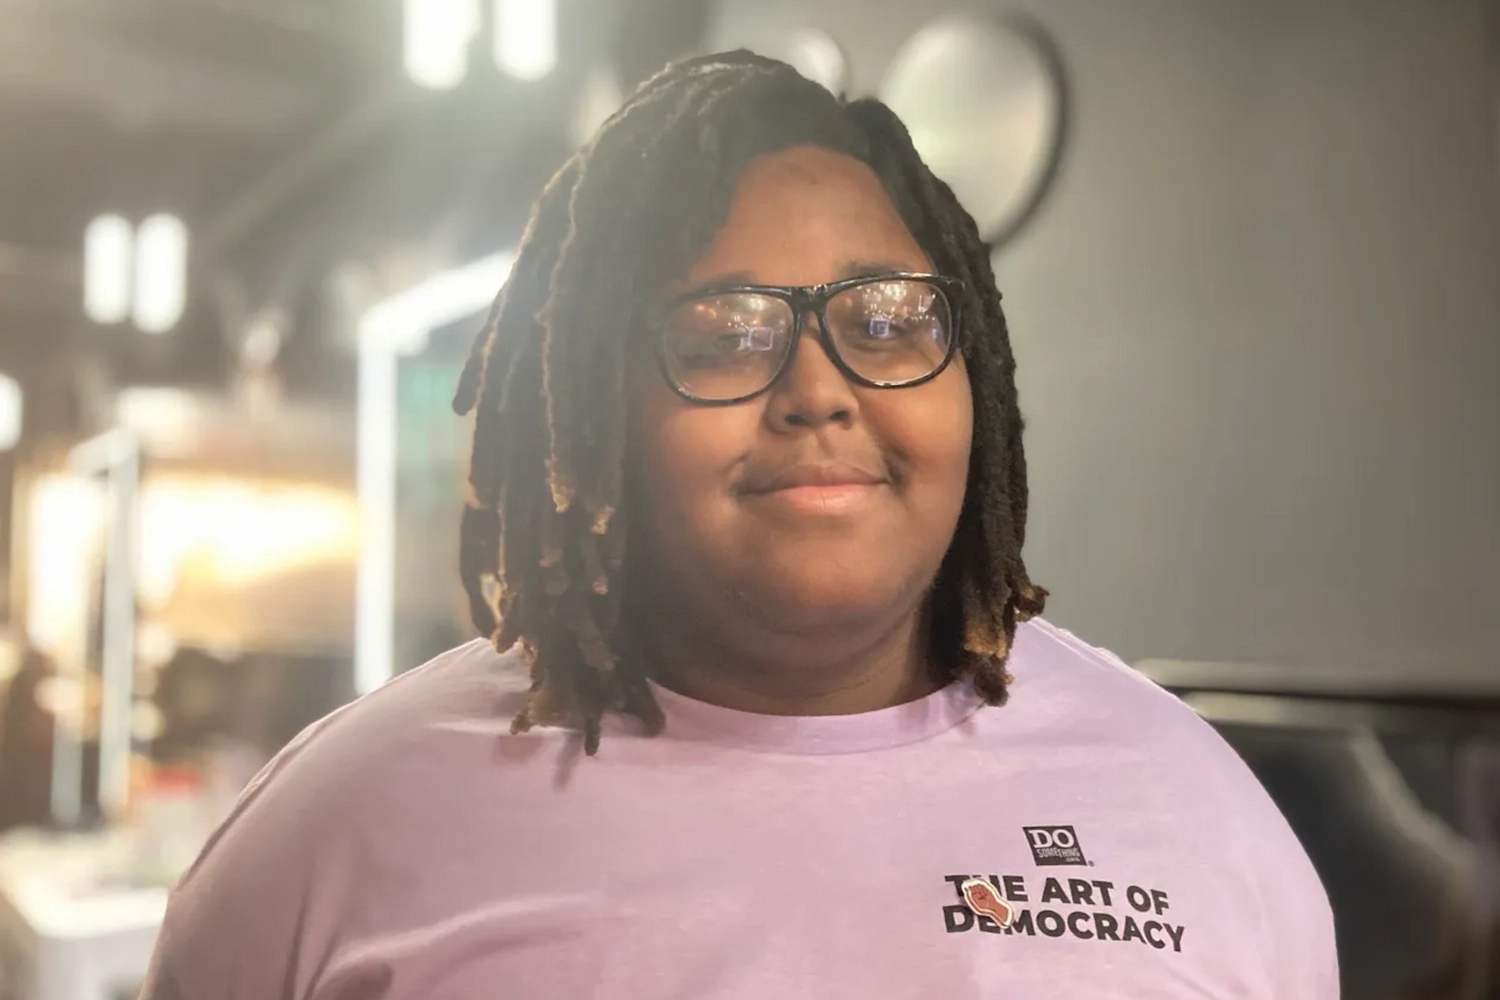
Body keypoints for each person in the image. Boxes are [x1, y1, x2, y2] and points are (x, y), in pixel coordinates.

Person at [140, 52, 1338, 998]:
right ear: (597, 407)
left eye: (884, 321)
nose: (819, 388)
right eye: (724, 332)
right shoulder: (334, 837)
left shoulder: (1194, 811)